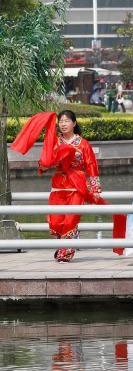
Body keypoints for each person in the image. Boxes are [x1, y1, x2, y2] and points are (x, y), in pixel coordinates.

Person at [11, 111, 105, 262]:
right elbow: (45, 163)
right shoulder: (54, 142)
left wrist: (95, 188)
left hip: (77, 185)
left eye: (67, 121)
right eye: (61, 121)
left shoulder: (83, 144)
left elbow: (92, 166)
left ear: (74, 123)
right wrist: (46, 163)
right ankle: (68, 241)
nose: (63, 124)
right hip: (59, 185)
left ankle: (65, 254)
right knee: (56, 221)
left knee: (70, 220)